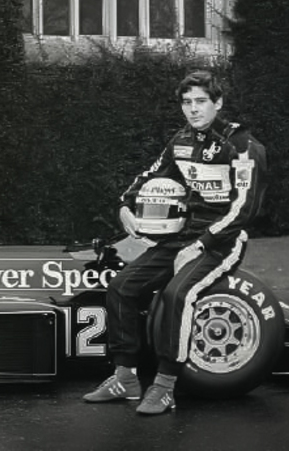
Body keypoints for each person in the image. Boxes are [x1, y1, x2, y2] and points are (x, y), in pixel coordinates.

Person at [82, 69, 267, 415]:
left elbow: (244, 210)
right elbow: (150, 175)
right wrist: (125, 205)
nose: (193, 109)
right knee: (121, 286)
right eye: (186, 102)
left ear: (218, 103)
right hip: (181, 236)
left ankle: (165, 387)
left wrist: (201, 245)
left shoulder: (243, 146)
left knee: (177, 293)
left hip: (222, 241)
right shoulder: (181, 141)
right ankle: (125, 378)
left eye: (201, 101)